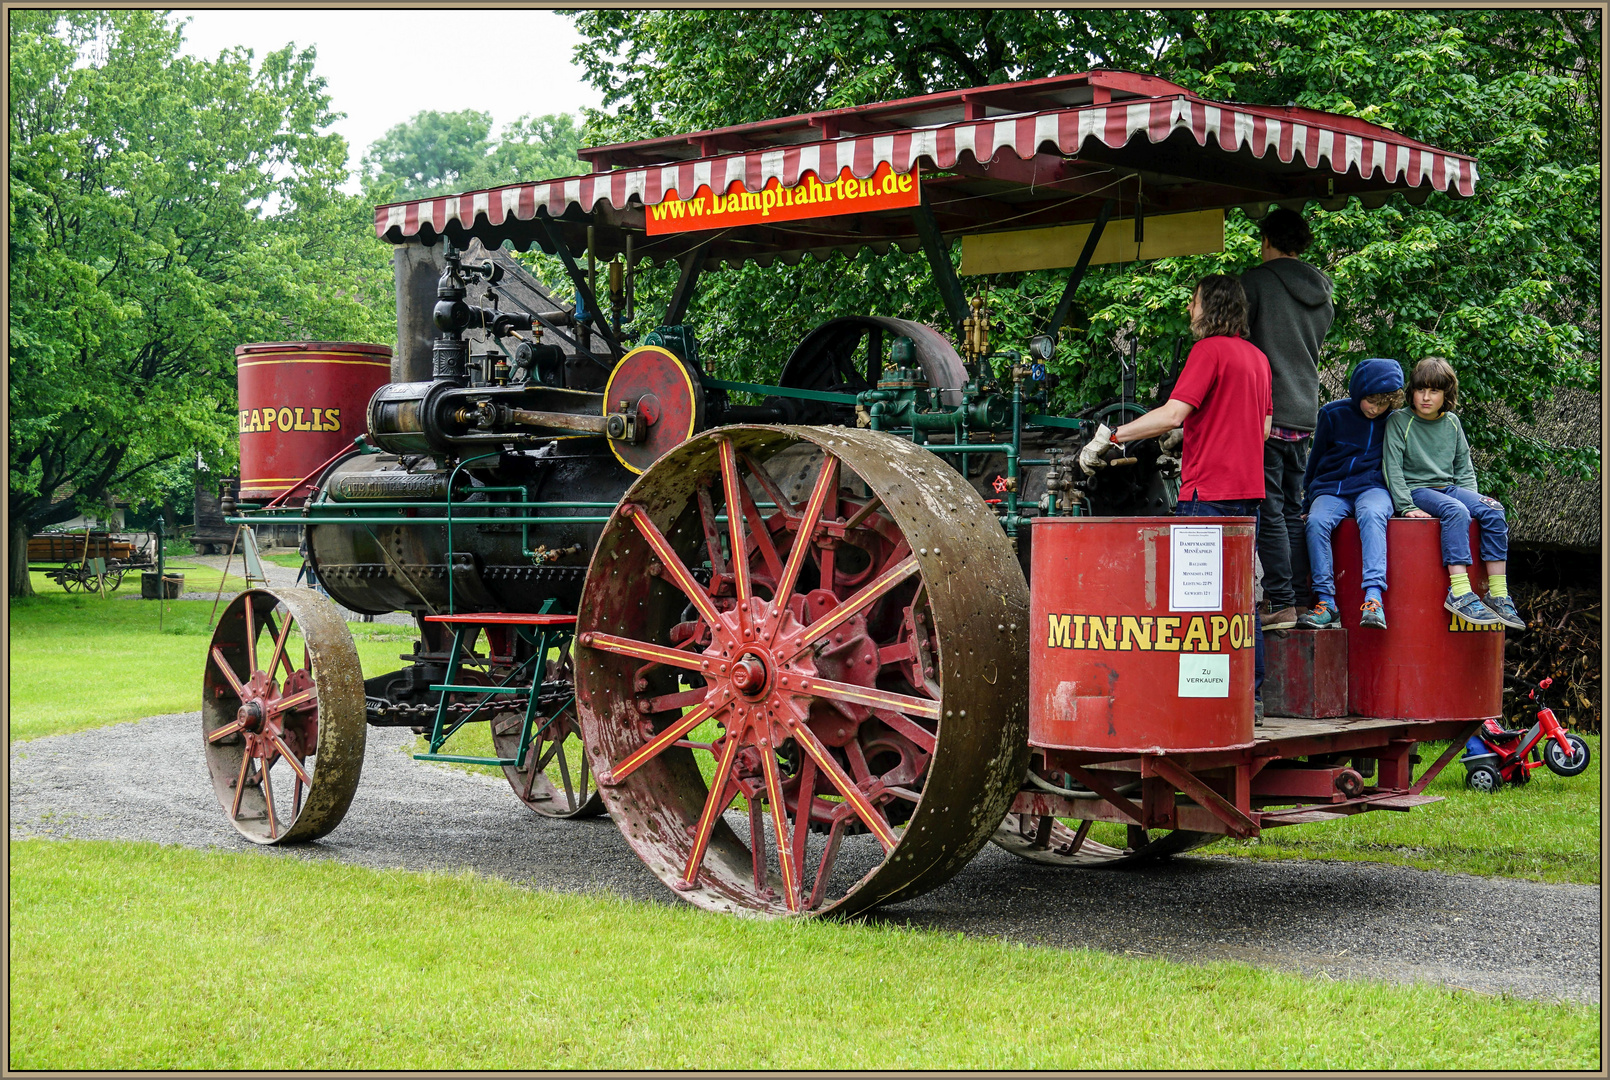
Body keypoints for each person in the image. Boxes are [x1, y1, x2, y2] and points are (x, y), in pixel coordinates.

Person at [1082, 274, 1273, 721]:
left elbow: (1172, 413)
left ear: (1210, 306)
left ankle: (1202, 698)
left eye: (1193, 302)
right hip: (1249, 494)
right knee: (1242, 599)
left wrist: (1113, 437)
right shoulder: (1259, 359)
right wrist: (1196, 436)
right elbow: (1260, 430)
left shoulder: (1208, 351)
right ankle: (1252, 698)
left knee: (1199, 600)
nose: (1189, 310)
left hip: (1207, 494)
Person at [1241, 207, 1335, 630]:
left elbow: (1239, 344)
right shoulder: (1323, 291)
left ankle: (1278, 599)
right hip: (1304, 412)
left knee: (1271, 508)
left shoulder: (1255, 282)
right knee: (1293, 508)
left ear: (1266, 241)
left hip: (1267, 412)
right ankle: (1297, 597)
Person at [1382, 357, 1525, 630]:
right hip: (1418, 489)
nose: (1426, 397)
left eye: (1434, 391)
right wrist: (1404, 505)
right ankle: (1459, 592)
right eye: (1420, 389)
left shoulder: (1453, 423)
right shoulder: (1399, 421)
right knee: (1454, 510)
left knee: (1493, 508)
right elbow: (1392, 468)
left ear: (1446, 394)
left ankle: (1498, 594)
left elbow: (1464, 466)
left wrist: (1472, 501)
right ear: (1411, 390)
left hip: (1450, 488)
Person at [1296, 358, 1405, 630]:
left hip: (1373, 487)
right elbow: (1315, 459)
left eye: (1384, 404)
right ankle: (1326, 602)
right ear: (1358, 391)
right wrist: (1307, 500)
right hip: (1332, 488)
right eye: (1371, 401)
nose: (1376, 409)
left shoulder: (1393, 421)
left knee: (1372, 515)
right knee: (1317, 522)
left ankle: (1373, 599)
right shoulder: (1332, 414)